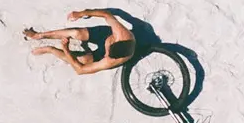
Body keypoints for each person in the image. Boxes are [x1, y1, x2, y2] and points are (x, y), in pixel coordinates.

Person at [22, 7, 155, 74]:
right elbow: (106, 14)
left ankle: (48, 50)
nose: (107, 52)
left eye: (108, 53)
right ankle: (38, 35)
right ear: (115, 40)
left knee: (83, 60)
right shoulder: (123, 34)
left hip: (108, 50)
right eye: (109, 48)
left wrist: (65, 49)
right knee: (76, 33)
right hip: (105, 34)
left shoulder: (109, 60)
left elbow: (80, 70)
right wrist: (81, 13)